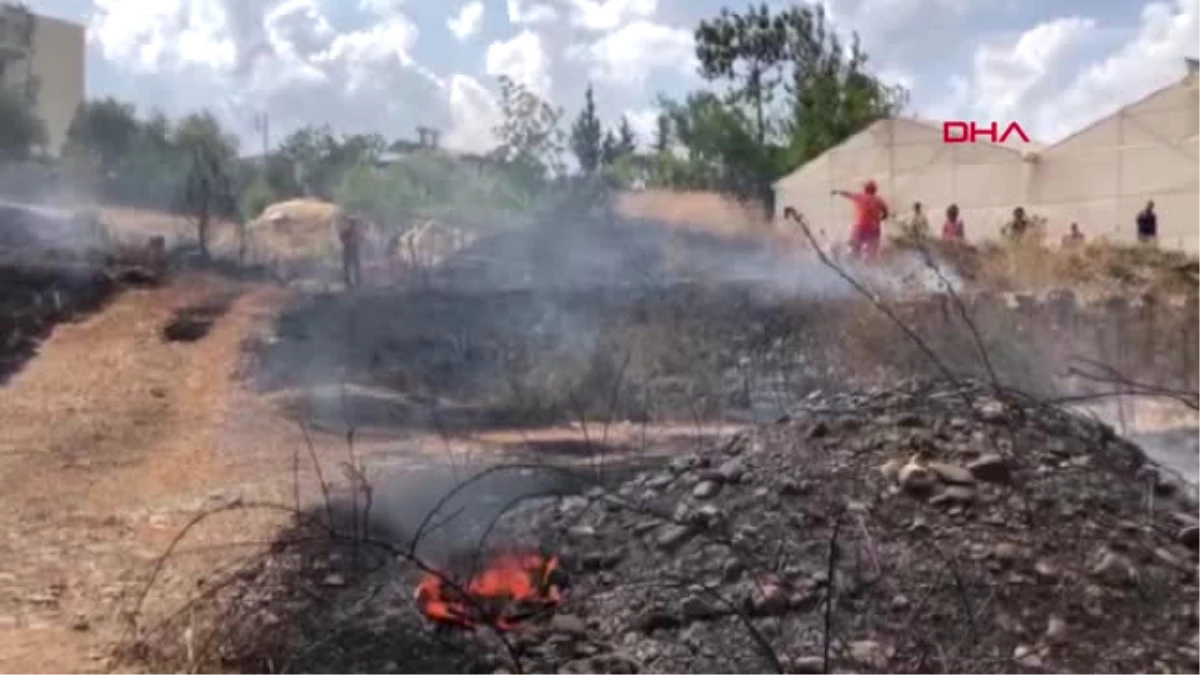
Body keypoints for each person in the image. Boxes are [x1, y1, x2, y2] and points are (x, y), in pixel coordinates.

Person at [831, 180, 889, 259]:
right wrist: (881, 218)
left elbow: (847, 194)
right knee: (872, 251)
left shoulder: (859, 197)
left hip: (859, 226)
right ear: (875, 190)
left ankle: (853, 266)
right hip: (873, 227)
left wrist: (837, 192)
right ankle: (870, 265)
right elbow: (885, 213)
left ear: (865, 189)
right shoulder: (879, 200)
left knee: (854, 249)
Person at [339, 212, 363, 288]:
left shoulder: (356, 230)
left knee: (356, 265)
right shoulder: (346, 231)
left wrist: (358, 242)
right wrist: (347, 242)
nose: (353, 224)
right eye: (352, 222)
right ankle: (348, 281)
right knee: (347, 266)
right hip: (348, 249)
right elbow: (341, 237)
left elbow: (360, 238)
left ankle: (358, 281)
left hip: (354, 249)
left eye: (354, 222)